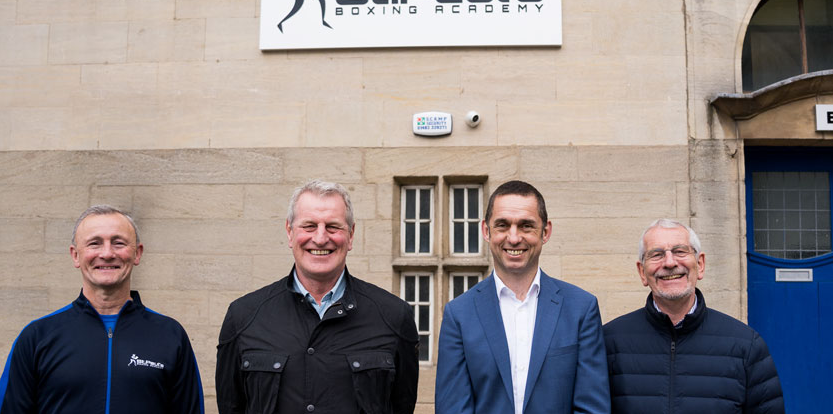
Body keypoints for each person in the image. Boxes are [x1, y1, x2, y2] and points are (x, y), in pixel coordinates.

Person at [216, 180, 419, 414]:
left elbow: (402, 405)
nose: (321, 238)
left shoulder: (394, 317)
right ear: (290, 232)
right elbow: (231, 406)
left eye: (333, 227)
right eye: (309, 226)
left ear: (351, 235)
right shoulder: (243, 316)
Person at [0, 205, 204, 414]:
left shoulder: (169, 335)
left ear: (137, 253)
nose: (107, 253)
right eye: (94, 244)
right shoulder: (37, 337)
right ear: (75, 255)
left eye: (118, 243)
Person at [435, 180, 610, 414]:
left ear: (545, 232)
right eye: (502, 225)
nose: (514, 237)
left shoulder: (581, 308)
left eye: (526, 226)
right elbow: (453, 409)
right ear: (486, 231)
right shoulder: (459, 314)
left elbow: (592, 408)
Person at [603, 219, 785, 413]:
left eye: (680, 251)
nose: (670, 262)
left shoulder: (746, 345)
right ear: (642, 272)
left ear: (700, 264)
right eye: (656, 255)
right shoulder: (608, 343)